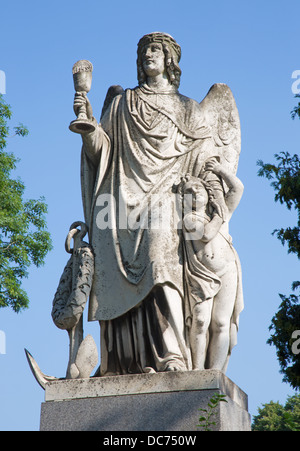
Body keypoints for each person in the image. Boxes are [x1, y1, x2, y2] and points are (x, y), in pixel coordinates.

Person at [73, 32, 220, 375]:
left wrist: (208, 195)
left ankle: (172, 354)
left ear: (170, 59)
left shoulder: (189, 110)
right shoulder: (123, 104)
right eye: (143, 52)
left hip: (166, 202)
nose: (147, 56)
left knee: (159, 256)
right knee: (110, 249)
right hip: (121, 199)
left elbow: (205, 162)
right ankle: (123, 361)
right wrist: (89, 126)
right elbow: (102, 153)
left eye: (155, 50)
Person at [180, 159, 244, 372]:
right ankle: (197, 370)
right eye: (189, 192)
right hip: (202, 275)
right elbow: (206, 234)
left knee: (222, 323)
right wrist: (219, 214)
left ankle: (216, 373)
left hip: (228, 270)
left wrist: (219, 170)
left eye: (198, 189)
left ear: (207, 193)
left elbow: (238, 187)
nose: (195, 194)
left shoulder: (223, 211)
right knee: (200, 321)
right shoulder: (189, 219)